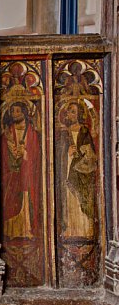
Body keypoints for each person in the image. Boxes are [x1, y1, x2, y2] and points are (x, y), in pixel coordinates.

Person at [56, 102, 97, 238]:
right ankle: (70, 228)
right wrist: (67, 154)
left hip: (83, 172)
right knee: (69, 199)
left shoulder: (84, 131)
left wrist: (83, 153)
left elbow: (91, 152)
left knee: (83, 199)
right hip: (69, 171)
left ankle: (85, 229)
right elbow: (58, 155)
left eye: (73, 111)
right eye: (69, 111)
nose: (70, 114)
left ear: (79, 114)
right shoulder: (64, 132)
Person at [1, 102, 41, 239]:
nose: (15, 114)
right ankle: (12, 232)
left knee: (26, 198)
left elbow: (36, 155)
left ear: (24, 112)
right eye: (13, 111)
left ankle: (27, 230)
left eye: (18, 111)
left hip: (27, 173)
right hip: (13, 174)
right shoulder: (7, 133)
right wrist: (11, 152)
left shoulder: (32, 133)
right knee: (11, 200)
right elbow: (2, 153)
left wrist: (25, 154)